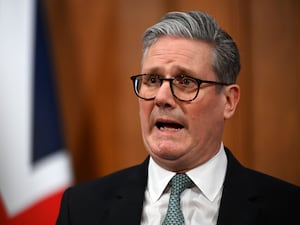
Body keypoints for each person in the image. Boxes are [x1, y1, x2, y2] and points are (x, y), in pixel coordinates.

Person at [56, 11, 300, 225]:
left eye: (185, 82)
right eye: (152, 80)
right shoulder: (80, 208)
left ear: (228, 101)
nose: (162, 98)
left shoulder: (289, 210)